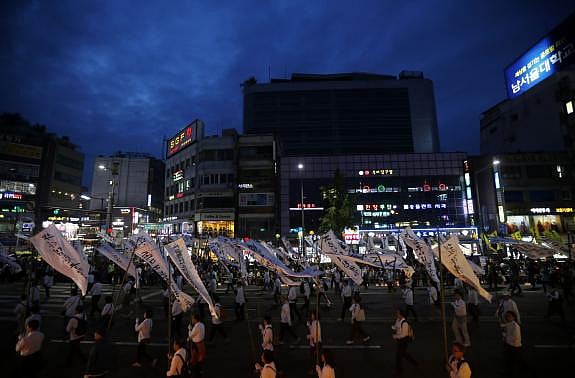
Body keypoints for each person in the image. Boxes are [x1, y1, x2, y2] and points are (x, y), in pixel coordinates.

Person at [391, 308, 417, 377]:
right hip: (399, 340)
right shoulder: (398, 319)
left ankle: (399, 371)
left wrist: (395, 336)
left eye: (397, 313)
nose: (396, 314)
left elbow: (404, 334)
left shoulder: (405, 323)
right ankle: (415, 363)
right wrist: (393, 327)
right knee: (404, 354)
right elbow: (396, 326)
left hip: (403, 340)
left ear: (401, 315)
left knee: (398, 356)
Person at [502, 311, 522, 377]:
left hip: (514, 347)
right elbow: (505, 334)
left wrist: (506, 339)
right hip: (509, 345)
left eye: (509, 316)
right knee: (508, 361)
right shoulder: (508, 324)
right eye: (506, 316)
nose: (507, 318)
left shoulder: (515, 326)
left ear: (513, 317)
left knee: (512, 362)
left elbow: (516, 339)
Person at [307, 310, 322, 374]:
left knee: (314, 358)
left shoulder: (315, 323)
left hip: (315, 343)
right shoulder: (314, 322)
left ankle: (315, 370)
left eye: (312, 315)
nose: (311, 316)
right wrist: (309, 326)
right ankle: (316, 370)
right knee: (315, 357)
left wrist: (308, 336)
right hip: (314, 343)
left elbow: (314, 334)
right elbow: (312, 331)